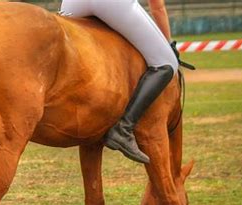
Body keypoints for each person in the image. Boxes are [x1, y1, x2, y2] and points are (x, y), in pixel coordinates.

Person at [60, 0, 180, 164]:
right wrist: (168, 43)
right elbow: (157, 7)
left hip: (73, 4)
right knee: (166, 63)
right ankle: (123, 129)